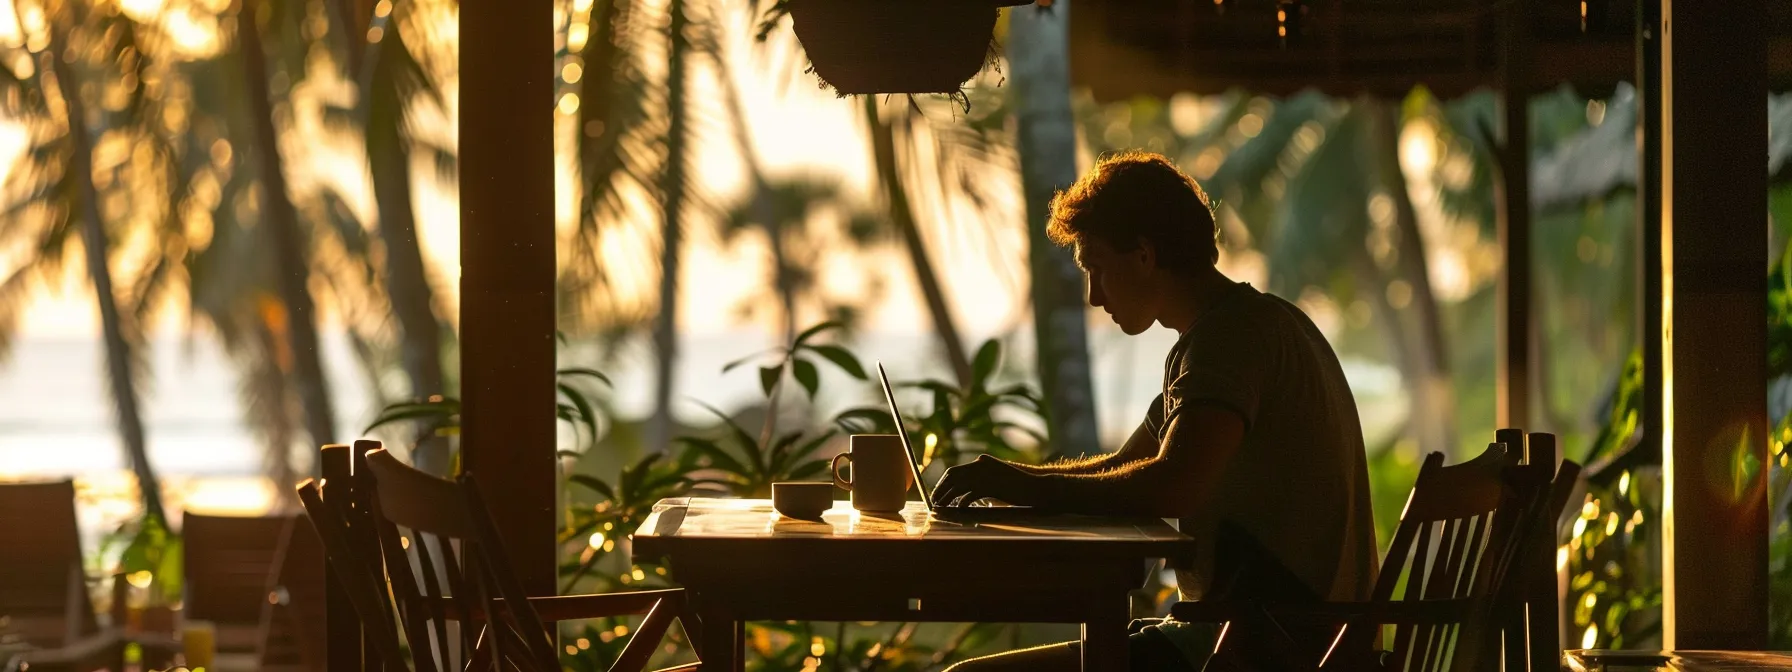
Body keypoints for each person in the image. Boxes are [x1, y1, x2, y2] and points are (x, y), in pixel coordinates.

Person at [936, 151, 1379, 671]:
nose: (1093, 295)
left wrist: (1019, 486)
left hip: (1263, 648)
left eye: (1095, 267)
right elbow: (1125, 467)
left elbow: (1170, 486)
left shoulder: (1229, 342)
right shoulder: (1249, 326)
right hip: (1275, 636)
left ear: (1144, 255)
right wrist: (1009, 479)